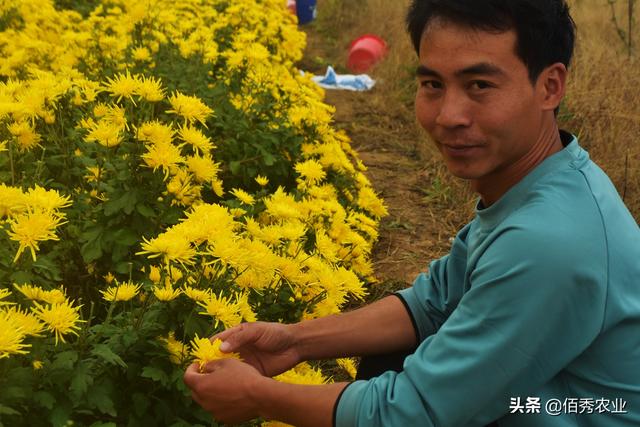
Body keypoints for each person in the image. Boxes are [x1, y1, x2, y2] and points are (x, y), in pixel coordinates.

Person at [183, 0, 640, 425]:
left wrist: (260, 396)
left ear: (550, 86)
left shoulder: (549, 241)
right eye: (432, 85)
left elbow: (414, 413)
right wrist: (294, 340)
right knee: (389, 357)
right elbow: (432, 304)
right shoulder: (537, 183)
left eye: (480, 85)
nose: (449, 116)